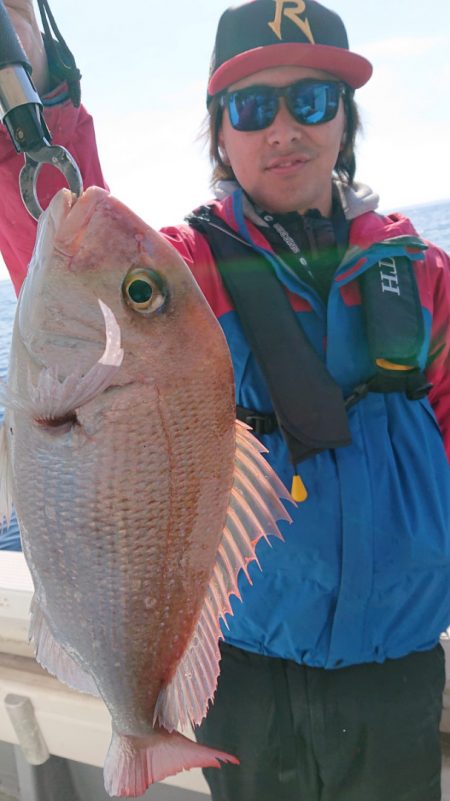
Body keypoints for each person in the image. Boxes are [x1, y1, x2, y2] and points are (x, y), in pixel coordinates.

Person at [1, 1, 450, 800]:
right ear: (219, 131)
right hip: (241, 670)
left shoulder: (423, 276)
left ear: (346, 119)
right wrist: (39, 96)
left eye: (312, 99)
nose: (284, 128)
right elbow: (77, 257)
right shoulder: (188, 271)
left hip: (399, 667)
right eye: (251, 107)